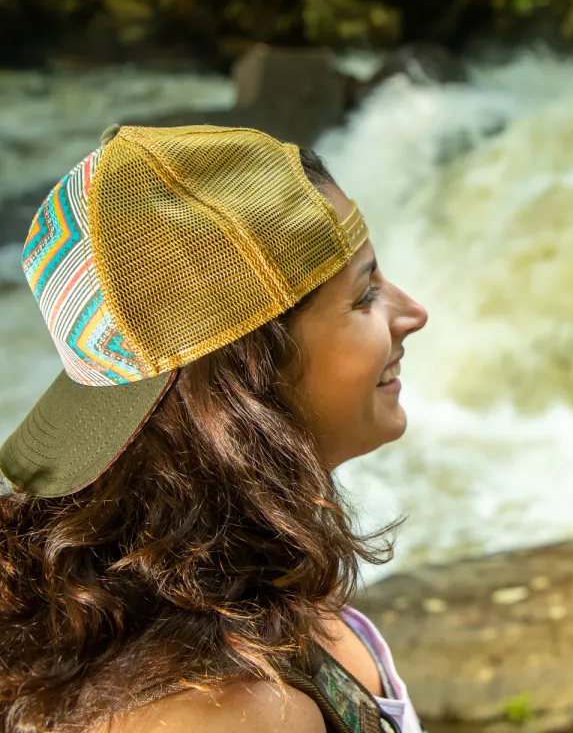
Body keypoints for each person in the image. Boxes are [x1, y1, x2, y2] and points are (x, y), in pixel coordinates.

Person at [0, 124, 428, 733]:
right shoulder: (232, 712)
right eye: (365, 296)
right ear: (247, 376)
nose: (413, 313)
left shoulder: (231, 592)